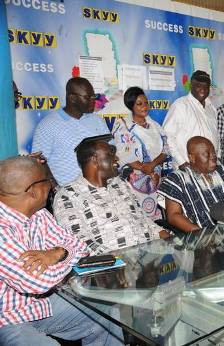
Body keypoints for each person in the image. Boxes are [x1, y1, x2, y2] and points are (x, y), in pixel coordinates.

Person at [0, 156, 124, 345]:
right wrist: (64, 254)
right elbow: (39, 282)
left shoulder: (39, 214)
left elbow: (80, 246)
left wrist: (58, 253)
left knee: (106, 309)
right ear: (33, 191)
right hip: (8, 320)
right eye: (47, 180)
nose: (51, 185)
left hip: (38, 306)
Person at [53, 138, 171, 255]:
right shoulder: (68, 195)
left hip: (150, 256)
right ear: (95, 160)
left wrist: (172, 241)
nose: (116, 159)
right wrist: (119, 260)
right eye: (110, 154)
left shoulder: (120, 184)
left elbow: (144, 220)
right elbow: (79, 242)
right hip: (114, 265)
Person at [158, 136, 224, 232]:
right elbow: (173, 216)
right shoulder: (177, 179)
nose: (213, 157)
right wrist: (202, 235)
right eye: (207, 154)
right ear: (192, 158)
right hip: (201, 237)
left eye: (214, 153)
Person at [32, 77, 109, 186]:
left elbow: (110, 150)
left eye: (94, 96)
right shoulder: (48, 125)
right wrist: (56, 190)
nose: (93, 100)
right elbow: (38, 163)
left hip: (102, 190)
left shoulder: (98, 121)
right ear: (72, 98)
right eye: (88, 97)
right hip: (69, 196)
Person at [112, 86, 170, 220]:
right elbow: (123, 153)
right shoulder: (123, 125)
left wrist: (153, 165)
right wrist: (146, 169)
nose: (144, 106)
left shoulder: (155, 125)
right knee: (137, 217)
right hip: (135, 179)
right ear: (131, 106)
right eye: (139, 104)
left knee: (155, 215)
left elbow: (166, 149)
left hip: (155, 176)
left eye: (145, 103)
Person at [162, 70, 219, 167]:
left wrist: (218, 157)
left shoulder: (211, 109)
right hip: (188, 167)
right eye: (198, 86)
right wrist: (182, 162)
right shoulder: (180, 105)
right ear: (191, 85)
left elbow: (216, 137)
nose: (203, 89)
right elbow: (167, 136)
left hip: (210, 168)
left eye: (206, 86)